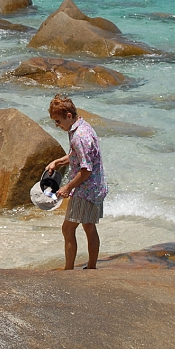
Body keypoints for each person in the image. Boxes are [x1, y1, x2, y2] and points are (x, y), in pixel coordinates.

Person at [46, 94, 107, 270]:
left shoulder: (79, 136)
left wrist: (67, 187)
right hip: (95, 187)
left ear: (69, 115)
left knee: (68, 228)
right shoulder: (83, 126)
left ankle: (69, 270)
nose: (57, 125)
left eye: (58, 121)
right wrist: (58, 162)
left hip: (85, 190)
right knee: (89, 226)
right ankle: (91, 267)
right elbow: (77, 156)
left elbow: (86, 169)